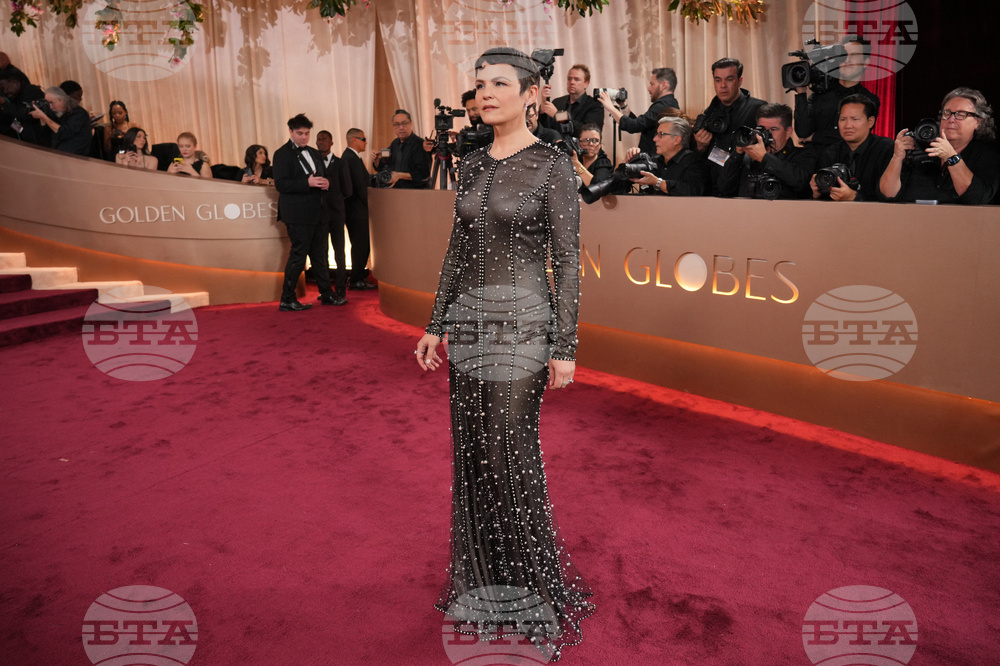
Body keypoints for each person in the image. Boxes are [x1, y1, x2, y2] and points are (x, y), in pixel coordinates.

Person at [414, 46, 595, 660]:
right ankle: (484, 583)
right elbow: (456, 253)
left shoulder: (552, 166)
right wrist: (436, 323)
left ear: (530, 95)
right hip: (469, 329)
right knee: (473, 453)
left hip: (523, 328)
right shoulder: (469, 165)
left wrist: (564, 344)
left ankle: (529, 592)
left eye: (498, 83)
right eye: (479, 84)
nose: (484, 92)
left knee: (508, 448)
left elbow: (568, 261)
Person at [880, 87, 999, 205]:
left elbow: (975, 197)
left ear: (978, 122)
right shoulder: (919, 148)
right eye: (947, 113)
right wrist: (897, 157)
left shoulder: (988, 155)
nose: (951, 119)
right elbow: (888, 195)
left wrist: (951, 156)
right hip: (914, 220)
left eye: (961, 114)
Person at [273, 113, 342, 311]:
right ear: (291, 132)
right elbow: (280, 184)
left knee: (320, 255)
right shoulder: (282, 154)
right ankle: (287, 298)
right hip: (296, 214)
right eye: (300, 133)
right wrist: (307, 182)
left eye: (307, 133)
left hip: (318, 212)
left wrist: (326, 183)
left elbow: (321, 176)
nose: (304, 137)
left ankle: (327, 294)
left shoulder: (313, 152)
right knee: (298, 256)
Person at [794, 35, 881, 153]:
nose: (847, 60)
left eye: (854, 55)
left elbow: (855, 137)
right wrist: (801, 93)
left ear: (865, 63)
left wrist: (815, 137)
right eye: (843, 55)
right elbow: (803, 132)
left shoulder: (870, 100)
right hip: (813, 162)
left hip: (846, 164)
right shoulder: (819, 94)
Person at [693, 58, 766, 196]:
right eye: (718, 80)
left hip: (745, 188)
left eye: (729, 79)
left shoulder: (758, 108)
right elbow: (699, 158)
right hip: (713, 188)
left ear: (740, 81)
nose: (723, 86)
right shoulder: (710, 112)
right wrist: (700, 147)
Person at [722, 103, 815, 200]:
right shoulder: (748, 157)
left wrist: (764, 158)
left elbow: (800, 182)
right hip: (747, 212)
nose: (767, 135)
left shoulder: (804, 155)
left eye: (773, 129)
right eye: (763, 129)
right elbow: (724, 188)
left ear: (788, 132)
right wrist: (737, 154)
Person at [810, 94, 893, 202]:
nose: (848, 125)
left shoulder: (886, 149)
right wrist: (817, 194)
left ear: (870, 121)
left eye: (855, 119)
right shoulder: (830, 153)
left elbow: (889, 197)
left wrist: (854, 198)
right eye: (843, 119)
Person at [599, 67, 679, 156]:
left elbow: (633, 126)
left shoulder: (663, 106)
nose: (649, 88)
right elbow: (640, 125)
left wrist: (610, 107)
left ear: (664, 85)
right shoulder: (669, 103)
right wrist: (623, 106)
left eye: (652, 84)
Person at [626, 116, 710, 196]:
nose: (654, 139)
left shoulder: (694, 162)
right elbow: (616, 186)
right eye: (656, 134)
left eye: (661, 134)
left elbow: (692, 190)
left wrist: (658, 182)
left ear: (677, 140)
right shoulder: (652, 161)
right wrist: (626, 162)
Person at [315, 129, 351, 304]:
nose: (320, 142)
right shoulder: (312, 163)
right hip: (319, 214)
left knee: (339, 252)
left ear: (331, 143)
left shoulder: (340, 163)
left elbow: (348, 189)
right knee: (320, 252)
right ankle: (326, 289)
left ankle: (341, 289)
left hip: (337, 213)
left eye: (324, 139)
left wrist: (334, 196)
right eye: (318, 139)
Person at [342, 128, 376, 290]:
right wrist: (373, 206)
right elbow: (360, 187)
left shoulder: (350, 157)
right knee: (360, 245)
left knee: (360, 245)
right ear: (354, 140)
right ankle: (356, 279)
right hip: (357, 211)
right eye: (363, 139)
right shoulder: (351, 158)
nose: (366, 142)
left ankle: (358, 277)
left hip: (356, 210)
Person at [538, 63, 605, 139]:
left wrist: (558, 116)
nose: (572, 82)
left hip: (581, 149)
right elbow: (544, 130)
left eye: (577, 79)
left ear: (586, 84)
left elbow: (587, 132)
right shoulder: (557, 102)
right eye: (569, 79)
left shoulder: (595, 105)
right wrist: (542, 111)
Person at [371, 109, 431, 189]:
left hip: (415, 192)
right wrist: (376, 160)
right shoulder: (395, 143)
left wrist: (399, 175)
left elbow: (423, 174)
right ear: (393, 126)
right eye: (397, 124)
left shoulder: (420, 144)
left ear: (411, 124)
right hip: (396, 191)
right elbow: (384, 168)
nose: (401, 127)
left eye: (404, 123)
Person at [28, 86, 91, 156]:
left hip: (76, 158)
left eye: (52, 103)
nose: (50, 107)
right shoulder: (53, 113)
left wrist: (44, 117)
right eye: (48, 103)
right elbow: (45, 138)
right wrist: (42, 116)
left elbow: (64, 132)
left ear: (63, 100)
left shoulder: (79, 113)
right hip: (57, 155)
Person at [0, 70, 49, 146]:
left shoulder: (31, 91)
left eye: (5, 88)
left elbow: (27, 114)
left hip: (41, 141)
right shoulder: (12, 98)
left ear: (15, 82)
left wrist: (6, 104)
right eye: (2, 91)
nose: (5, 92)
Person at [571, 123, 613, 187]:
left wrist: (577, 166)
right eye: (586, 140)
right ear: (579, 144)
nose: (591, 144)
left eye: (595, 140)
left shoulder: (603, 163)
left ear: (600, 145)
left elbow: (598, 187)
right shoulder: (575, 159)